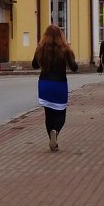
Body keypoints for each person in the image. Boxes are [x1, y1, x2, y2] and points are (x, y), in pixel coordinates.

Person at [32, 24, 79, 152]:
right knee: (60, 113)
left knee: (48, 114)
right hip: (59, 84)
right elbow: (74, 67)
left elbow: (34, 65)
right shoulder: (65, 49)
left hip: (44, 84)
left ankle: (52, 139)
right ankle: (55, 132)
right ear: (60, 35)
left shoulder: (41, 48)